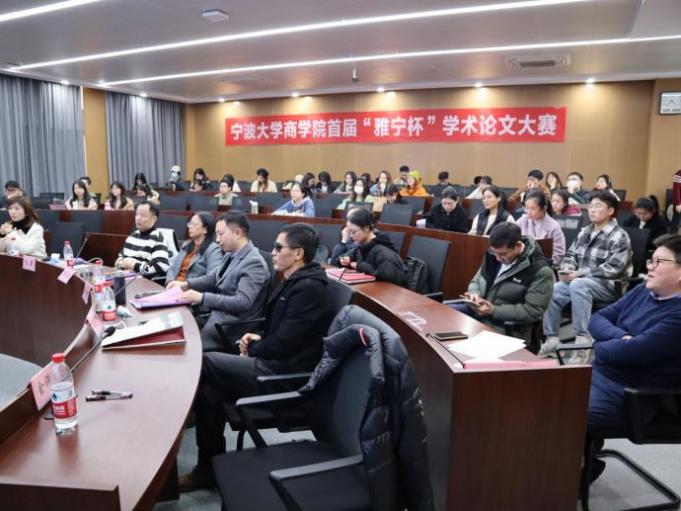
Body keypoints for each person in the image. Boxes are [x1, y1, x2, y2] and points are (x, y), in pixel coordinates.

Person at [178, 223, 332, 491]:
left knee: (207, 362)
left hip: (284, 375)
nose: (273, 252)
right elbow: (282, 330)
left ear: (298, 254)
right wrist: (258, 337)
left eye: (279, 247)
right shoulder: (293, 279)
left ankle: (182, 437)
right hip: (274, 362)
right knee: (209, 391)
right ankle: (208, 467)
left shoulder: (309, 287)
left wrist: (253, 349)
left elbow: (285, 344)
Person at [586, 234, 681, 433]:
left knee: (558, 412)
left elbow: (629, 353)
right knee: (536, 395)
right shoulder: (643, 291)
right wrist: (622, 338)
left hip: (631, 396)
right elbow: (597, 318)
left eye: (659, 262)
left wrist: (599, 344)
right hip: (597, 375)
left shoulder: (677, 315)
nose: (650, 267)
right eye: (651, 260)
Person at [539, 191, 633, 359]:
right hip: (581, 283)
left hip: (610, 286)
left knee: (578, 284)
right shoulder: (585, 232)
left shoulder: (619, 236)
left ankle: (583, 341)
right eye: (590, 206)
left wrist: (579, 274)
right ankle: (552, 340)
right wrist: (568, 269)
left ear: (611, 211)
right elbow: (570, 256)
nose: (592, 210)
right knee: (553, 289)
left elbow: (613, 268)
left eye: (598, 206)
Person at [168, 212, 270, 352]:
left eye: (221, 234)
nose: (217, 239)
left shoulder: (254, 263)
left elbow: (242, 302)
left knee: (180, 349)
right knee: (171, 334)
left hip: (229, 327)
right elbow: (215, 278)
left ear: (237, 233)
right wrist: (186, 284)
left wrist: (202, 298)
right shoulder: (230, 253)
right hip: (214, 318)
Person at [451, 223, 554, 342]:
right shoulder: (493, 255)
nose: (498, 258)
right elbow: (476, 281)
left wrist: (494, 310)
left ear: (518, 245)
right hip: (478, 315)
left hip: (506, 328)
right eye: (494, 252)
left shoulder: (540, 271)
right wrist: (475, 294)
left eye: (503, 254)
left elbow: (533, 311)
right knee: (441, 318)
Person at [338, 208, 408, 286]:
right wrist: (344, 259)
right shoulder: (362, 246)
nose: (351, 236)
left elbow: (388, 277)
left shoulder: (383, 251)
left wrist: (360, 266)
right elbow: (344, 257)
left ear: (366, 228)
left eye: (353, 232)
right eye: (349, 232)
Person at [114, 201, 170, 279]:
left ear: (154, 218)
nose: (138, 218)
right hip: (124, 276)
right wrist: (119, 262)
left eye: (143, 215)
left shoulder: (158, 238)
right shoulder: (132, 236)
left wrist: (135, 265)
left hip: (142, 280)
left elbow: (161, 267)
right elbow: (121, 257)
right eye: (137, 214)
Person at [165, 212, 222, 284]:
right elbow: (173, 268)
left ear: (205, 229)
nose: (190, 227)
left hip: (192, 288)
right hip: (173, 286)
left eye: (194, 224)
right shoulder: (186, 244)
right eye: (190, 224)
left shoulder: (213, 249)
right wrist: (170, 281)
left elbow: (212, 277)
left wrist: (186, 284)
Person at [516, 190, 566, 266]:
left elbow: (559, 255)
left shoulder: (554, 226)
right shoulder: (523, 220)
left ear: (544, 208)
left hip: (545, 266)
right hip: (522, 263)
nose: (529, 212)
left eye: (533, 208)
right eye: (527, 208)